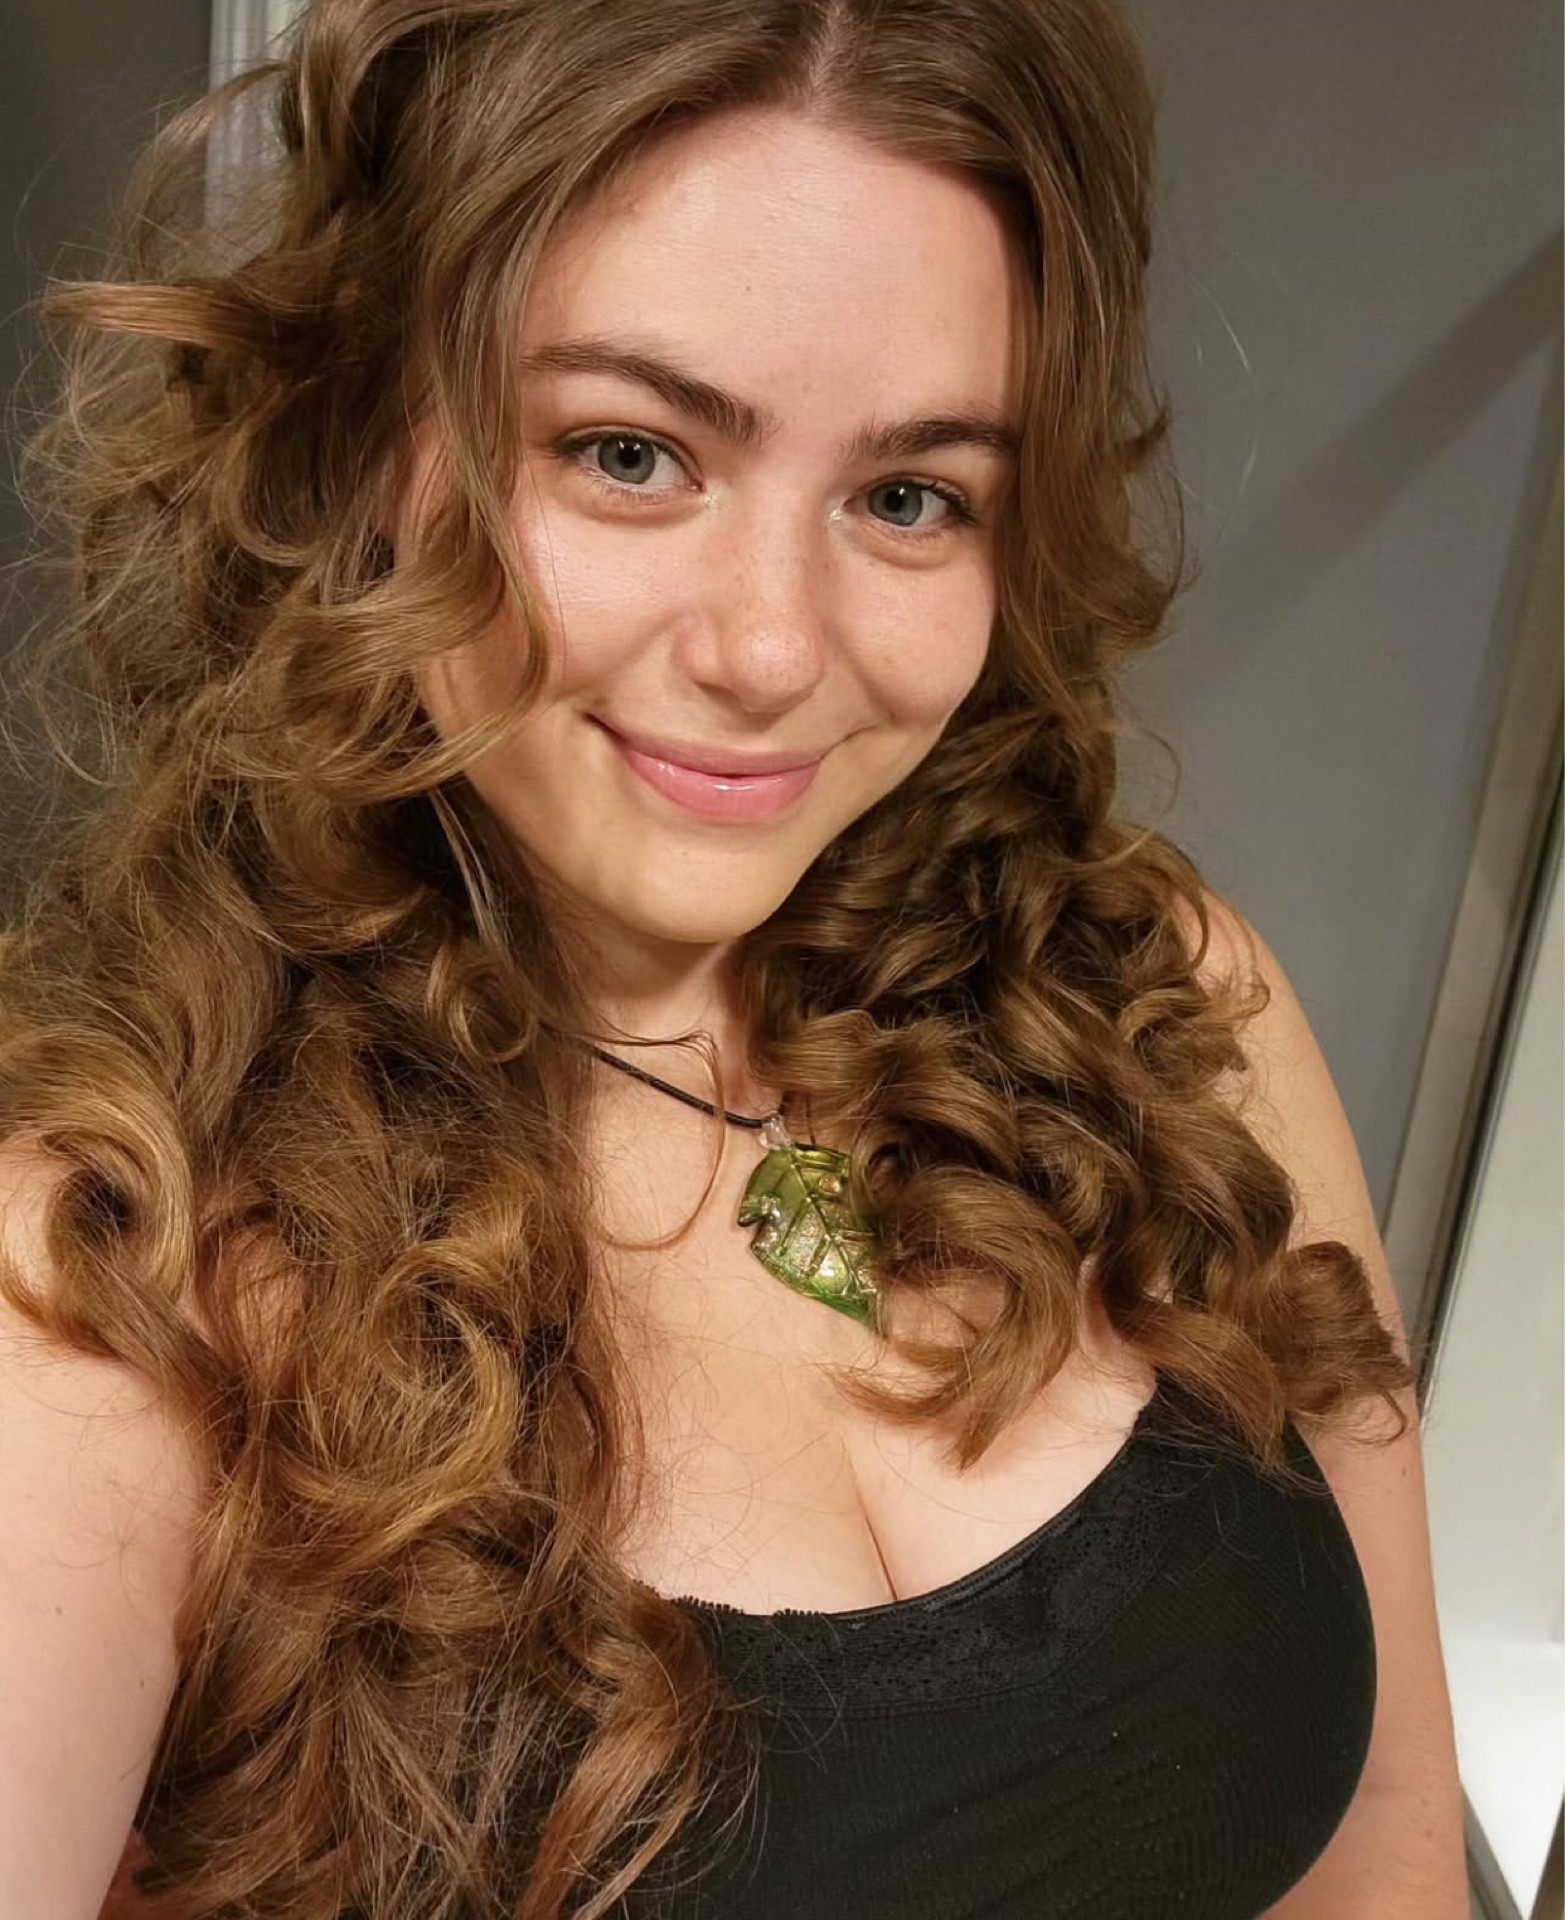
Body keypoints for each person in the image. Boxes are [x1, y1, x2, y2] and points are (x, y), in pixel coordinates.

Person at [0, 0, 1468, 1914]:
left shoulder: (1166, 1001)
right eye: (629, 452)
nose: (771, 648)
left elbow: (1388, 1826)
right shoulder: (107, 1281)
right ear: (369, 435)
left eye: (907, 497)